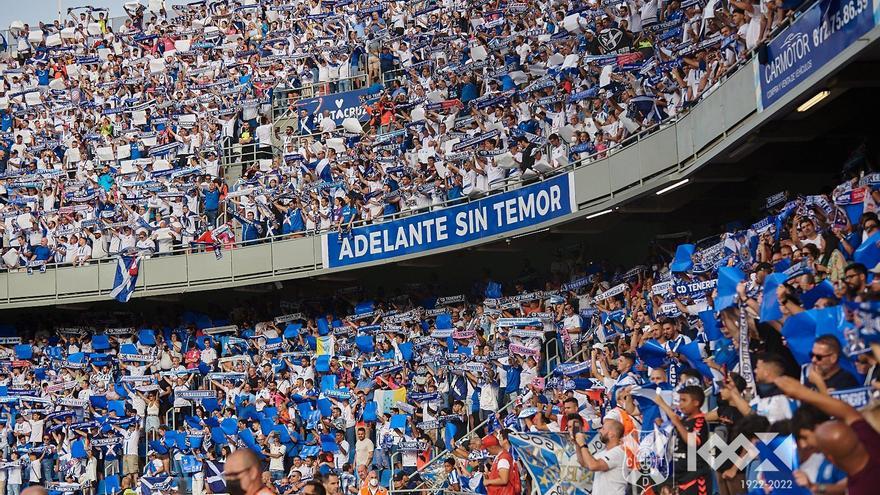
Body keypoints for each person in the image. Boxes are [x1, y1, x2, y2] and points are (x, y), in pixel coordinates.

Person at [774, 376, 880, 495]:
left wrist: (802, 392)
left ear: (831, 459)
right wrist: (802, 392)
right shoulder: (873, 442)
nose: (804, 445)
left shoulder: (861, 490)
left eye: (806, 437)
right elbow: (848, 412)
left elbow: (847, 412)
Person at [654, 386, 711, 495]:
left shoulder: (700, 421)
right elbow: (675, 418)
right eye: (679, 400)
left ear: (696, 402)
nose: (680, 404)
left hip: (696, 479)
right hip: (680, 478)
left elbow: (693, 443)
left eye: (684, 400)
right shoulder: (684, 421)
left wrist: (677, 423)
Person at [574, 419, 627, 495]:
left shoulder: (618, 452)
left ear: (612, 434)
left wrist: (582, 444)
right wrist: (577, 444)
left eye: (603, 428)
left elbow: (593, 466)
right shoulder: (604, 452)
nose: (599, 431)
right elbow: (584, 463)